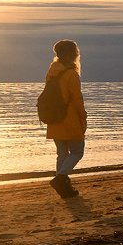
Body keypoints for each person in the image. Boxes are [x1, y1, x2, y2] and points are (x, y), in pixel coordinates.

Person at [44, 39, 87, 198]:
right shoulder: (71, 74)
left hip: (54, 119)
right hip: (70, 119)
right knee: (77, 151)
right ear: (73, 54)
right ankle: (61, 178)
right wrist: (83, 118)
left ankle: (63, 188)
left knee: (62, 154)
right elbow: (77, 99)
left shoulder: (51, 72)